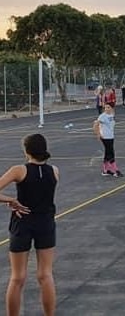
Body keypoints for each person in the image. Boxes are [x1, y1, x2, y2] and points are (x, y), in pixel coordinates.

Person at [0, 134, 58, 316]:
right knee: (46, 275)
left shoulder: (19, 170)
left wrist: (10, 200)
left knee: (17, 278)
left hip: (22, 223)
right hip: (45, 223)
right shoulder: (54, 171)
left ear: (26, 151)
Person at [94, 102, 123, 177]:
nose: (106, 109)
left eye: (108, 107)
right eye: (105, 107)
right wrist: (98, 134)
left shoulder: (111, 115)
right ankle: (115, 170)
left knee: (107, 153)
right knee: (111, 153)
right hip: (105, 137)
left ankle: (105, 170)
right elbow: (95, 125)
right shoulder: (102, 116)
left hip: (111, 136)